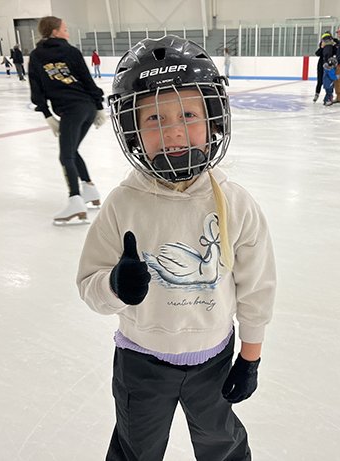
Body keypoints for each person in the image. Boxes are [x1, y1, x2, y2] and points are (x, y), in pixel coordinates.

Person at [76, 35, 277, 461]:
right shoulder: (122, 204)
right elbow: (89, 286)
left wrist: (251, 357)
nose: (173, 131)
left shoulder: (235, 202)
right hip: (141, 364)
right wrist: (113, 285)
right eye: (153, 119)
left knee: (222, 445)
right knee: (137, 449)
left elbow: (256, 288)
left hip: (215, 359)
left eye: (188, 113)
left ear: (213, 118)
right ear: (132, 129)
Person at [28, 16, 108, 224]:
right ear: (54, 31)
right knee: (72, 151)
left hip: (72, 110)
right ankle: (89, 189)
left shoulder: (36, 56)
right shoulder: (71, 51)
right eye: (65, 29)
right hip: (86, 108)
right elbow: (86, 80)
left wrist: (46, 114)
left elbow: (37, 89)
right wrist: (97, 107)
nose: (68, 32)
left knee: (65, 156)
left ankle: (75, 200)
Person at [313, 31, 337, 103]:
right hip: (321, 65)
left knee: (329, 81)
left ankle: (329, 96)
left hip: (329, 64)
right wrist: (321, 47)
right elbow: (317, 53)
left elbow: (336, 52)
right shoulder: (322, 44)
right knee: (320, 81)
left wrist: (335, 44)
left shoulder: (332, 45)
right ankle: (317, 94)